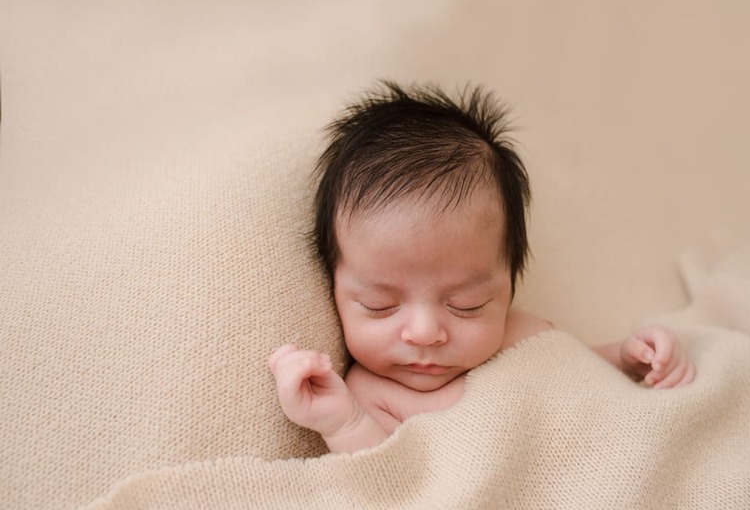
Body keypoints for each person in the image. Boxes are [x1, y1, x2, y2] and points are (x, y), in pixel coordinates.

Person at [269, 82, 695, 454]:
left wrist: (629, 358)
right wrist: (341, 423)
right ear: (336, 287)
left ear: (509, 283)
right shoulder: (370, 396)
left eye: (466, 304)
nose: (423, 333)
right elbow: (392, 480)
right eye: (379, 305)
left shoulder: (524, 334)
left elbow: (579, 373)